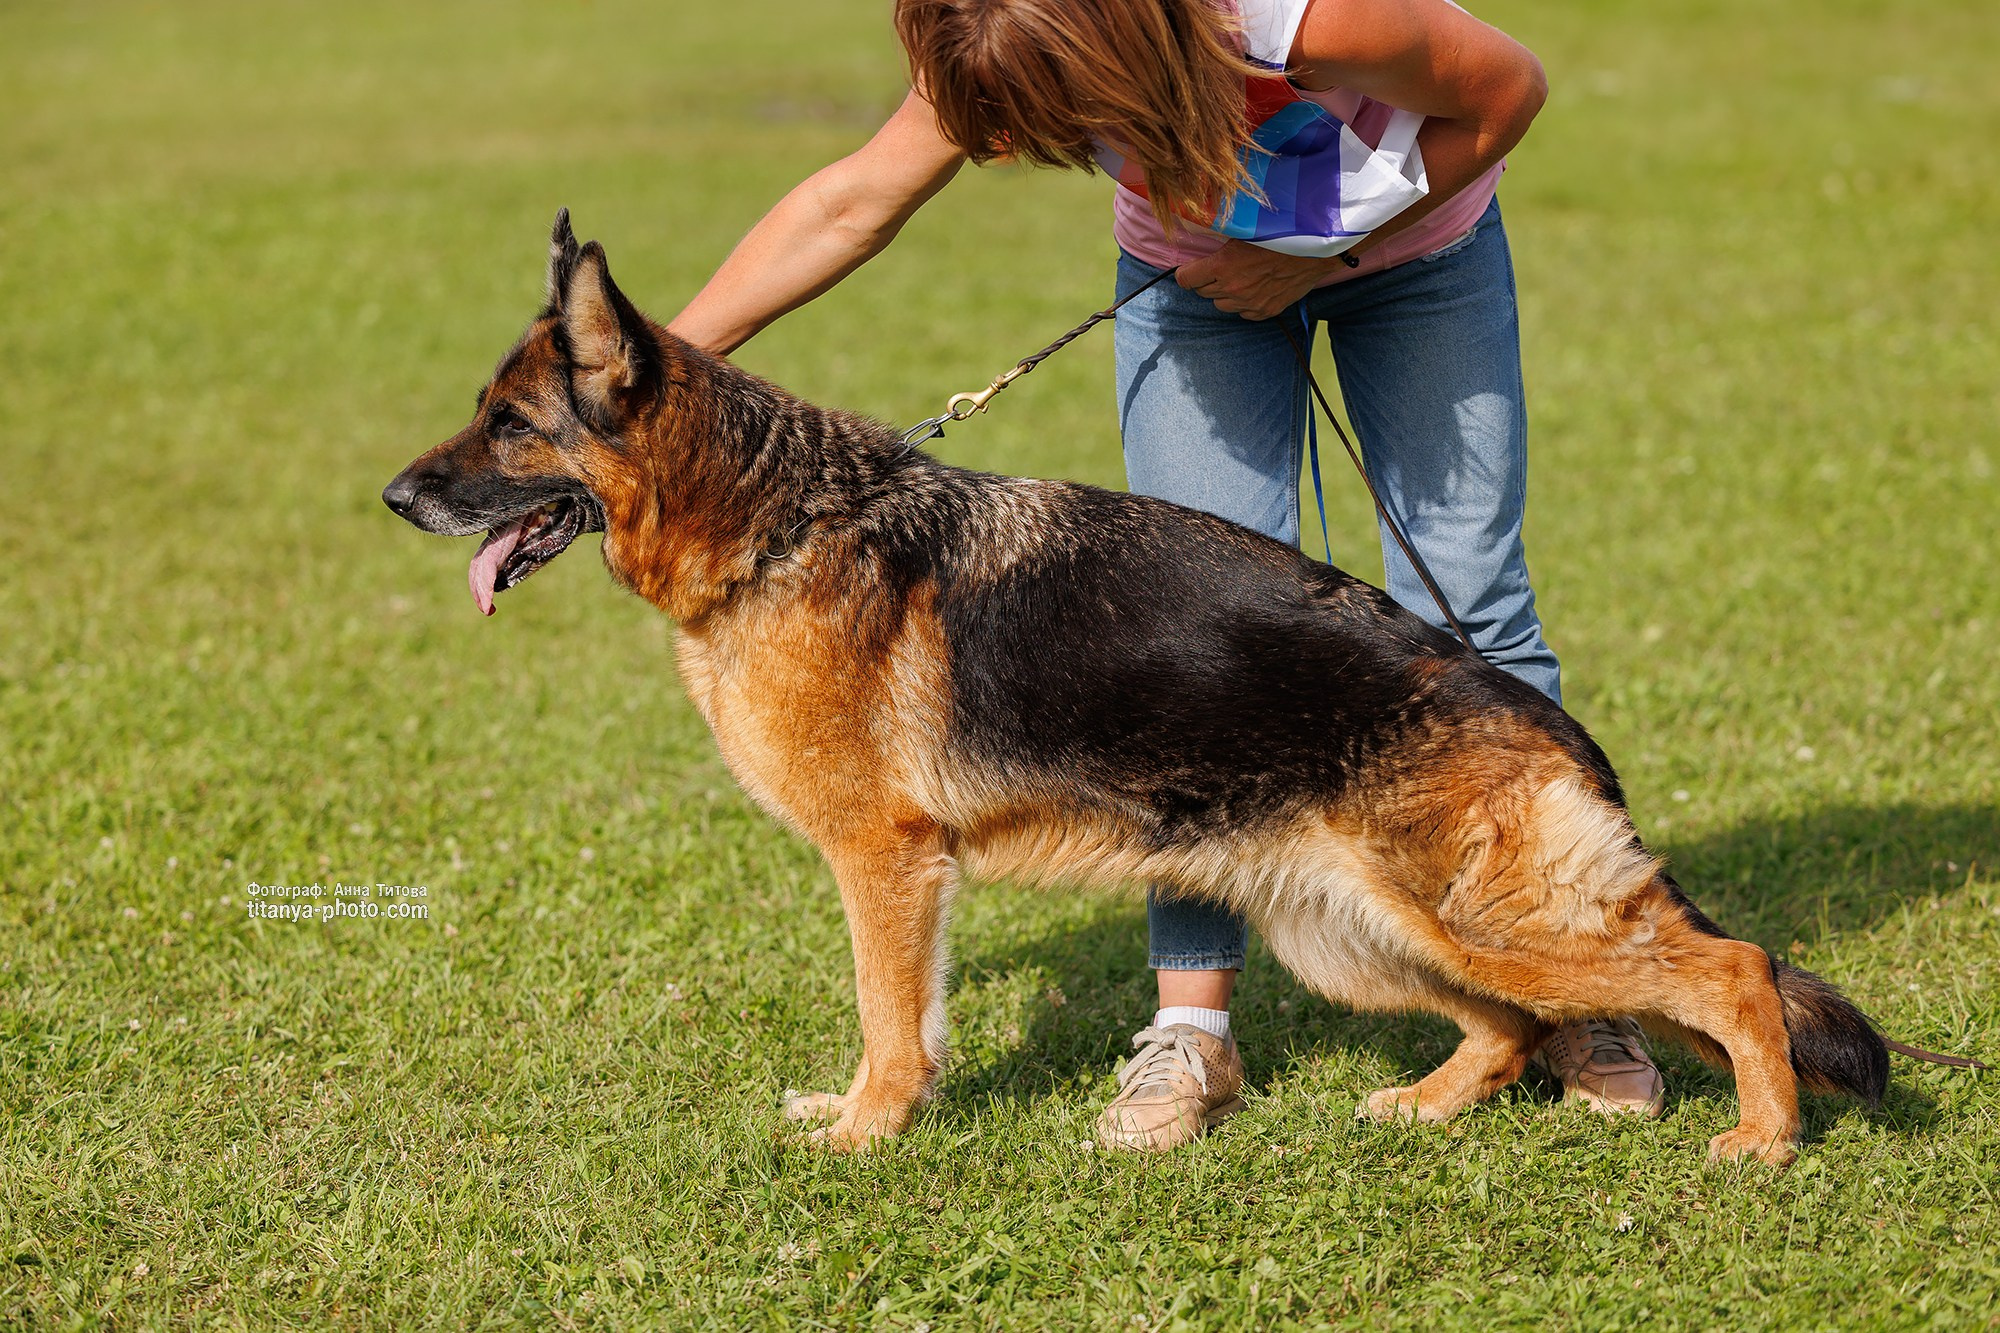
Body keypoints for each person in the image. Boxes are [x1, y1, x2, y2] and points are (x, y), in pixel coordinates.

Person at [670, 0, 1666, 1150]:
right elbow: (850, 201)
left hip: (1414, 258)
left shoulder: (1293, 17)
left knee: (1471, 603)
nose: (1018, 148)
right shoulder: (988, 26)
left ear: (1120, 52)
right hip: (1195, 292)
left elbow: (1507, 91)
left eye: (1062, 121)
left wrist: (1314, 261)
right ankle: (1191, 1027)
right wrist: (630, 378)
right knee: (1183, 649)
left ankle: (1582, 991)